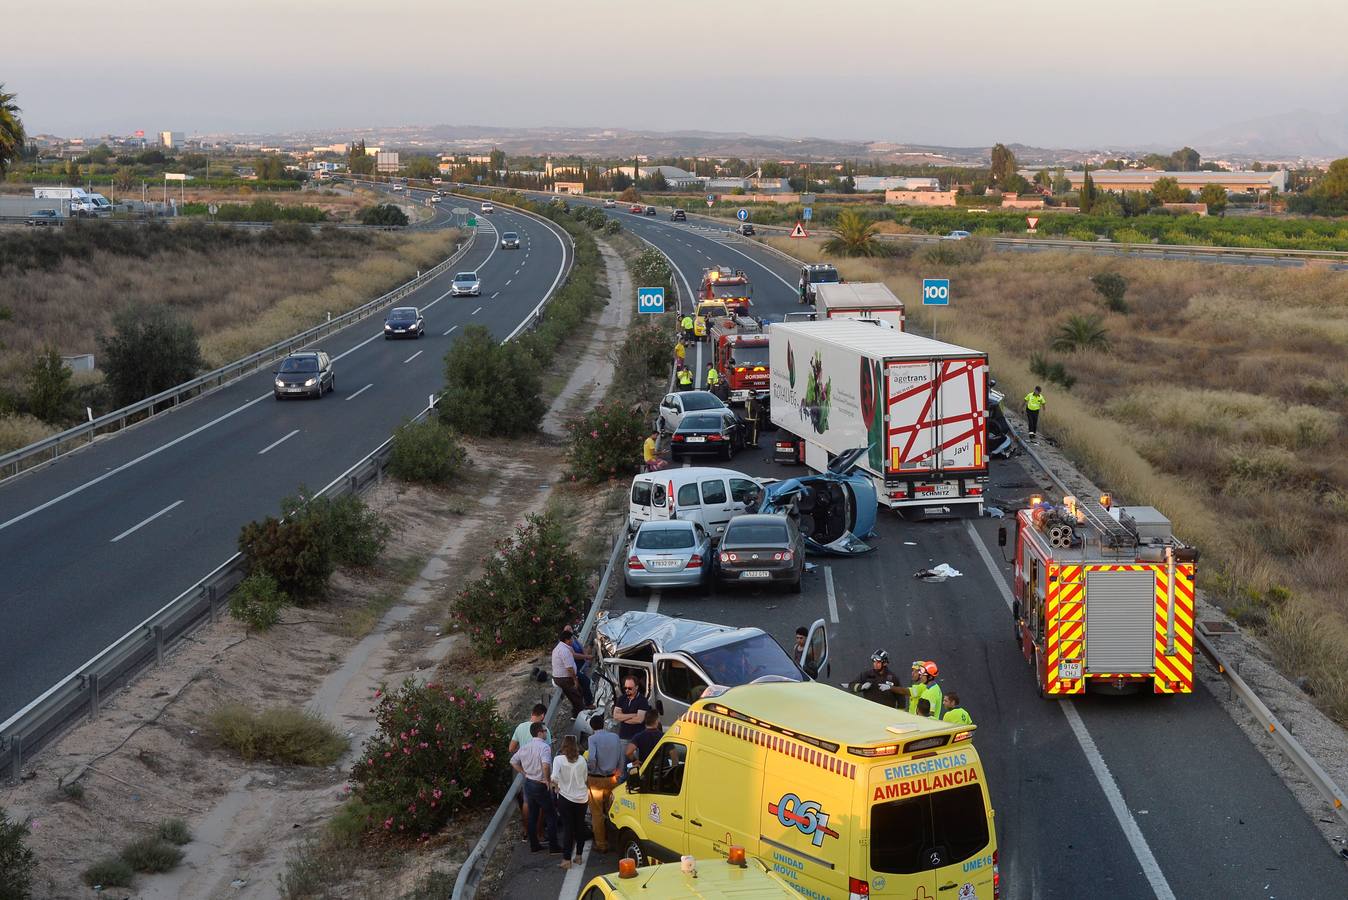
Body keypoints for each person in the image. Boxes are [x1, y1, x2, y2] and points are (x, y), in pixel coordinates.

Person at [510, 721, 561, 854]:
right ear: (540, 732)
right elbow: (545, 765)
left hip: (528, 783)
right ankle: (554, 846)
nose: (546, 733)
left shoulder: (525, 747)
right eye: (545, 731)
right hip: (540, 784)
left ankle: (534, 845)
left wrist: (523, 772)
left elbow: (513, 761)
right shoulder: (544, 747)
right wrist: (547, 780)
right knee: (551, 815)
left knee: (532, 815)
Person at [509, 703, 551, 843]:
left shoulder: (520, 727)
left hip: (526, 772)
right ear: (543, 715)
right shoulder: (544, 730)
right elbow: (547, 754)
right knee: (541, 805)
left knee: (527, 803)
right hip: (540, 774)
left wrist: (523, 759)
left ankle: (526, 831)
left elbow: (511, 748)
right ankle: (539, 833)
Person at [585, 714, 623, 852]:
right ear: (603, 724)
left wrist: (591, 769)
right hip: (613, 778)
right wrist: (619, 771)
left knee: (597, 813)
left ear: (592, 727)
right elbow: (621, 756)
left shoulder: (592, 739)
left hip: (596, 779)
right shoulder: (615, 737)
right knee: (613, 810)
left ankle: (601, 844)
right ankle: (616, 841)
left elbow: (592, 758)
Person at [551, 734, 589, 869]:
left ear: (564, 745)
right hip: (582, 798)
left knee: (568, 828)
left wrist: (555, 788)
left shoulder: (558, 760)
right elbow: (585, 779)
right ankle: (579, 856)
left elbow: (554, 778)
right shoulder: (582, 760)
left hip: (565, 797)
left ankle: (567, 860)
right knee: (580, 826)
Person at [551, 628, 585, 719]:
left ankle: (579, 712)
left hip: (561, 677)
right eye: (571, 639)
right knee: (576, 697)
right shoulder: (564, 651)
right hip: (564, 679)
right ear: (567, 640)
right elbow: (569, 668)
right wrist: (575, 680)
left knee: (580, 692)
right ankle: (578, 717)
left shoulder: (560, 648)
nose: (573, 641)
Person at [612, 676, 651, 744]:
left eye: (630, 688)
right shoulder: (622, 698)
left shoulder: (642, 700)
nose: (627, 690)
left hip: (637, 738)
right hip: (623, 737)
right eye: (625, 688)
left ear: (636, 687)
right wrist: (633, 715)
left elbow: (639, 719)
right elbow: (615, 716)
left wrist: (622, 718)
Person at [564, 625, 594, 709]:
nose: (569, 631)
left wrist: (586, 657)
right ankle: (588, 703)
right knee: (585, 682)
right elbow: (574, 655)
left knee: (586, 683)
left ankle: (585, 702)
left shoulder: (574, 638)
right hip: (575, 667)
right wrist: (586, 657)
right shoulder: (567, 643)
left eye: (570, 629)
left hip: (582, 665)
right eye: (567, 630)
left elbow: (581, 648)